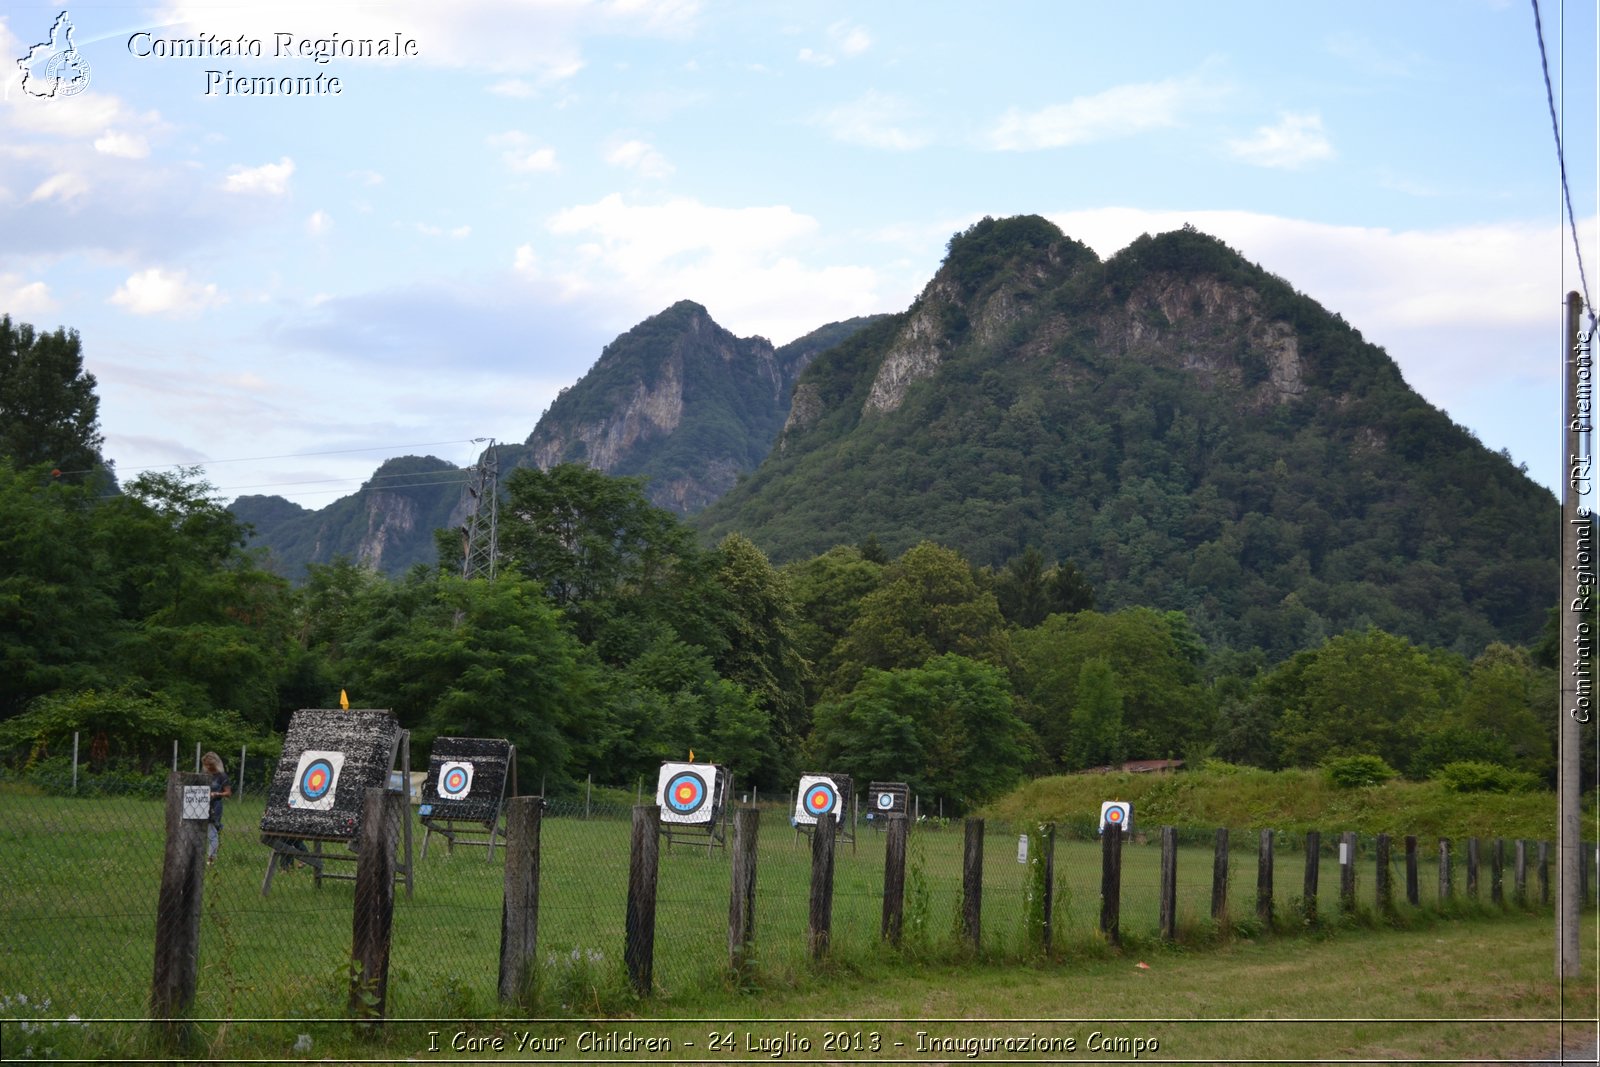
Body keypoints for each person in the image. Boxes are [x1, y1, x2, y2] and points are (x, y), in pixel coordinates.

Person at [202, 751, 231, 866]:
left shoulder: (222, 776)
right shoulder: (203, 775)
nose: (208, 767)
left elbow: (228, 793)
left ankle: (211, 858)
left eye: (210, 764)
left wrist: (216, 794)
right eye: (206, 764)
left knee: (212, 832)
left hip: (215, 806)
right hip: (201, 805)